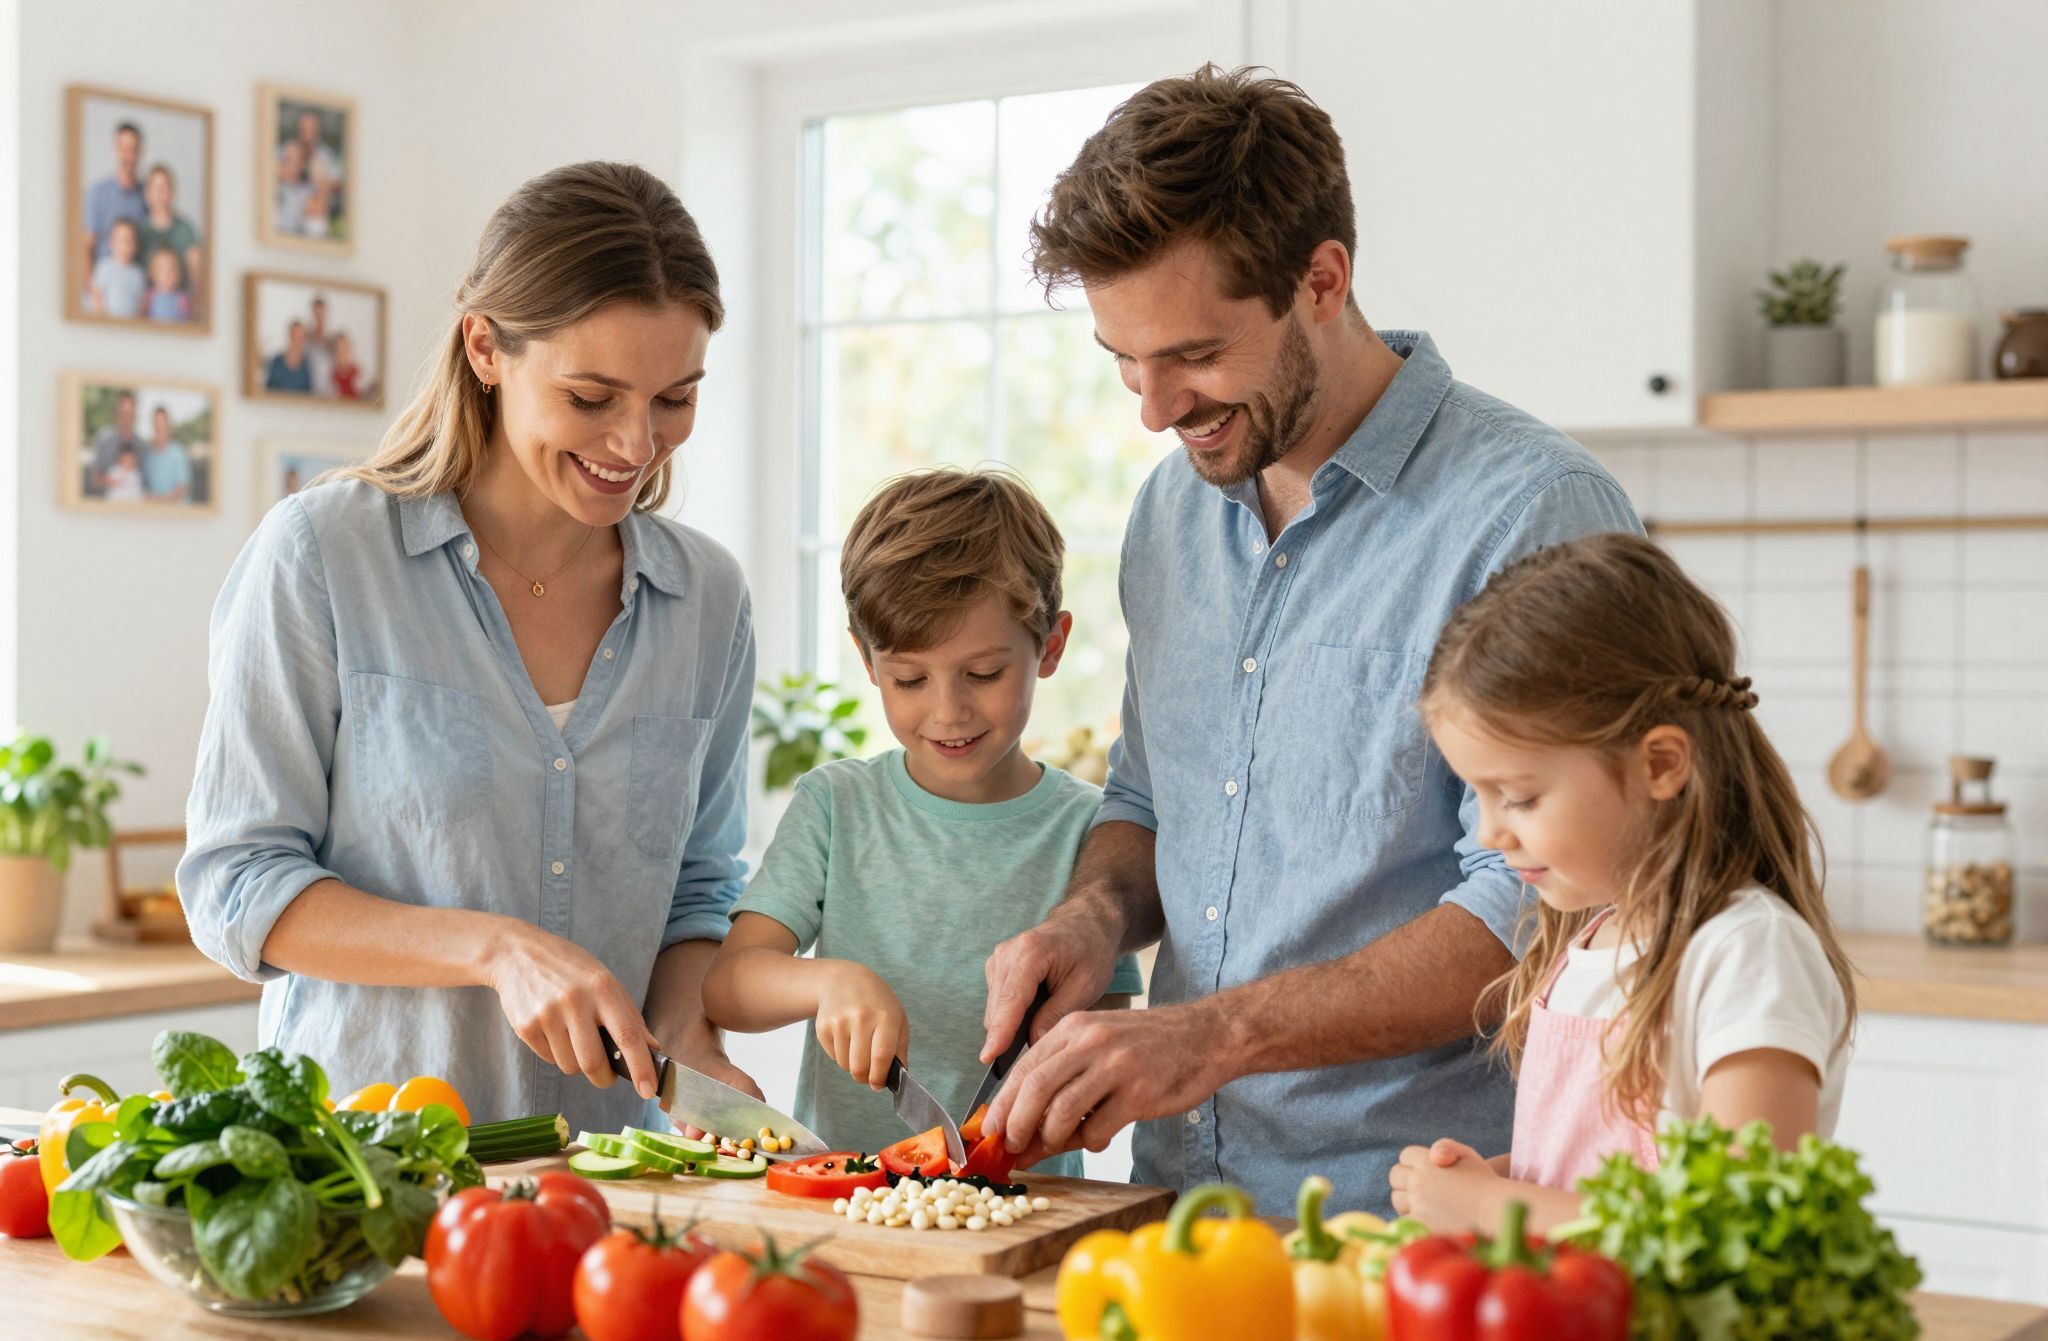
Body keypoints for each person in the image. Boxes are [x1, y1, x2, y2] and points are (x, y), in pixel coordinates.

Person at [977, 66, 1642, 1217]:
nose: (1152, 407)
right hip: (1174, 1201)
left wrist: (1213, 1038)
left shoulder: (1530, 510)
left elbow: (1539, 909)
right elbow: (1148, 801)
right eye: (1122, 362)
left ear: (1321, 280)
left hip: (1418, 1223)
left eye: (1190, 355)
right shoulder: (1169, 513)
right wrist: (1089, 922)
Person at [178, 161, 760, 1131]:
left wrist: (690, 1042)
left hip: (611, 1184)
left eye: (674, 398)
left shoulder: (705, 599)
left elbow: (696, 890)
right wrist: (495, 949)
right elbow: (236, 886)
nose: (635, 443)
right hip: (366, 1173)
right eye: (590, 397)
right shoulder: (324, 556)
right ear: (485, 348)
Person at [1388, 535, 1854, 1235]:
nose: (1489, 833)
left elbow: (1740, 1228)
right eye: (1477, 796)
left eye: (1518, 796)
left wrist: (1495, 1208)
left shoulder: (1748, 955)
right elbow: (1594, 1176)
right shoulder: (1592, 941)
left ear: (1660, 764)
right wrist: (1503, 1178)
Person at [702, 469, 1144, 1168]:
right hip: (840, 1195)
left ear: (1050, 648)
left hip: (1019, 1203)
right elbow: (729, 987)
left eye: (984, 674)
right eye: (911, 679)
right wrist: (828, 982)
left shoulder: (1093, 833)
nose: (948, 711)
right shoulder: (836, 805)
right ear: (867, 662)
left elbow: (1099, 1038)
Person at [81, 118, 145, 274]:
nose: (128, 156)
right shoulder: (97, 192)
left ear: (139, 153)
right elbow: (86, 247)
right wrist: (93, 291)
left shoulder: (146, 194)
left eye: (133, 150)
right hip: (105, 288)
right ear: (115, 150)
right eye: (124, 149)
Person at [138, 163, 203, 313]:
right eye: (155, 188)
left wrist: (195, 306)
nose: (160, 194)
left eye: (164, 188)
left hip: (179, 308)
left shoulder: (185, 229)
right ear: (147, 194)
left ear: (173, 193)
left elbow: (197, 272)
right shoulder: (140, 229)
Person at [86, 216, 145, 318]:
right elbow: (96, 296)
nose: (124, 246)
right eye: (120, 240)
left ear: (135, 245)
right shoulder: (104, 267)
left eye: (128, 241)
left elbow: (141, 303)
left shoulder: (138, 273)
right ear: (111, 243)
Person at [87, 390, 143, 496]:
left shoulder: (141, 444)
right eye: (123, 413)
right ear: (116, 413)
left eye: (129, 413)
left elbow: (142, 483)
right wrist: (109, 481)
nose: (126, 418)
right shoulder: (103, 440)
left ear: (135, 415)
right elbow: (94, 479)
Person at [142, 406, 192, 502]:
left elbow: (182, 488)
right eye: (156, 424)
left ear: (168, 426)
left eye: (162, 424)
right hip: (155, 512)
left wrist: (164, 501)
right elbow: (145, 487)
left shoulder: (178, 453)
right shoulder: (148, 456)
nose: (159, 427)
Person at [265, 320, 314, 393]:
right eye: (294, 338)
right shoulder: (276, 363)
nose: (296, 343)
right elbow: (267, 391)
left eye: (300, 339)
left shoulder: (307, 367)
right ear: (288, 337)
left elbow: (309, 396)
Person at [145, 246, 190, 322]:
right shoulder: (149, 296)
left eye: (170, 269)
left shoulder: (183, 299)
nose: (166, 274)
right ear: (152, 273)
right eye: (161, 269)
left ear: (178, 274)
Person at [329, 332, 361, 399]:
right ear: (334, 351)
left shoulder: (358, 372)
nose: (342, 352)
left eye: (345, 348)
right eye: (339, 349)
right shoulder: (331, 374)